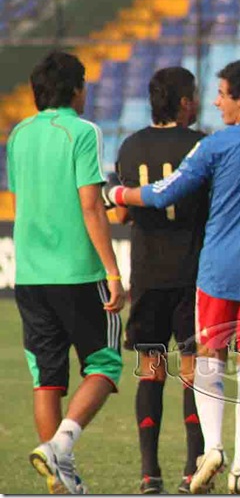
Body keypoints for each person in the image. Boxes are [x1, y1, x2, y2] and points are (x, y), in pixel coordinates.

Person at [104, 60, 240, 494]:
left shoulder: (216, 145)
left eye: (222, 93)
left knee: (208, 360)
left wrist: (118, 193)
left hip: (218, 272)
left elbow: (167, 191)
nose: (216, 101)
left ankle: (215, 447)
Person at [8, 51, 125, 494]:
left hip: (31, 273)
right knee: (105, 364)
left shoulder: (19, 134)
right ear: (75, 89)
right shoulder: (82, 131)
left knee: (47, 377)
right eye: (84, 83)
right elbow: (91, 203)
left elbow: (23, 200)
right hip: (78, 271)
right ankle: (60, 445)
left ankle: (60, 480)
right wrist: (112, 271)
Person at [113, 67, 207, 494]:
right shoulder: (202, 144)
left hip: (148, 274)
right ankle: (193, 467)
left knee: (150, 372)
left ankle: (150, 472)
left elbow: (120, 214)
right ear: (185, 102)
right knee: (194, 373)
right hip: (193, 272)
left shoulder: (131, 146)